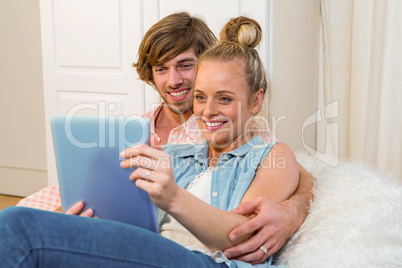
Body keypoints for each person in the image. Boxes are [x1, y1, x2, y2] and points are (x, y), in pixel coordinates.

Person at [0, 16, 299, 267]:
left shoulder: (271, 153)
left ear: (256, 99)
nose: (207, 111)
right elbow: (136, 218)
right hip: (152, 250)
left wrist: (171, 196)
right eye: (200, 98)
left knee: (16, 228)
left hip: (208, 261)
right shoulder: (178, 153)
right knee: (17, 221)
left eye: (224, 98)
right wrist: (77, 219)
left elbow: (247, 237)